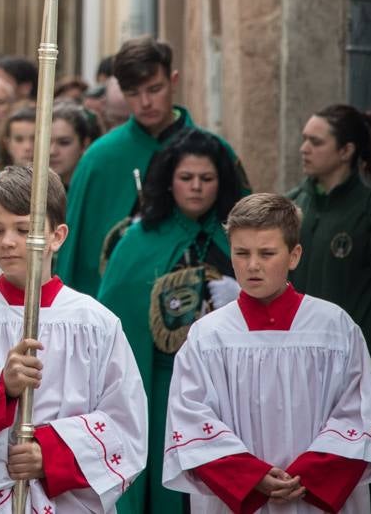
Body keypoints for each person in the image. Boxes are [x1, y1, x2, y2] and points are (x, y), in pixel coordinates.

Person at [0, 164, 148, 512]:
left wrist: (49, 454)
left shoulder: (96, 324)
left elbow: (127, 425)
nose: (7, 242)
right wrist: (0, 387)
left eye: (23, 229)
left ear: (56, 236)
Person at [163, 193, 371, 511]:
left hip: (314, 495)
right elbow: (190, 417)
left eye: (267, 253)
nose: (253, 265)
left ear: (294, 255)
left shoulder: (334, 328)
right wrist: (250, 476)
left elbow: (358, 410)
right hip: (238, 498)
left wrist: (308, 475)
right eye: (241, 253)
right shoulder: (208, 336)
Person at [97, 130, 244, 514]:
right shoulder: (139, 239)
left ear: (222, 182)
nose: (196, 187)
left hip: (228, 385)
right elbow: (116, 316)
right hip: (160, 384)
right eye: (186, 178)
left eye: (207, 179)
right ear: (169, 181)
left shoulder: (239, 238)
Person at [59, 37, 246, 295]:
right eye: (133, 93)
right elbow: (74, 255)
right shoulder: (99, 159)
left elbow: (248, 227)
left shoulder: (216, 151)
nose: (145, 102)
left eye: (155, 89)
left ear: (174, 81)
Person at [288, 104, 371, 417]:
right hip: (295, 363)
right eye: (304, 139)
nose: (304, 149)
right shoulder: (292, 205)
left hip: (355, 366)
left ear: (346, 151)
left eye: (316, 142)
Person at [49, 100, 99, 187]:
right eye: (46, 144)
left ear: (84, 144)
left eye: (64, 143)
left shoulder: (96, 186)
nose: (52, 151)